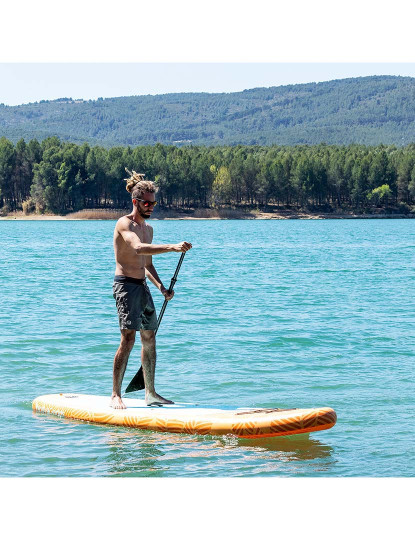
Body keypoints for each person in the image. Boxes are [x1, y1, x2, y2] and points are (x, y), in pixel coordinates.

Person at [111, 170, 192, 409]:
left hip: (143, 287)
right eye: (147, 203)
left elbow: (147, 264)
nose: (151, 207)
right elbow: (137, 249)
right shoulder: (124, 223)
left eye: (154, 203)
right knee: (128, 339)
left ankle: (151, 393)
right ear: (135, 202)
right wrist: (173, 247)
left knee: (150, 337)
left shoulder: (148, 229)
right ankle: (116, 394)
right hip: (125, 286)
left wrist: (161, 288)